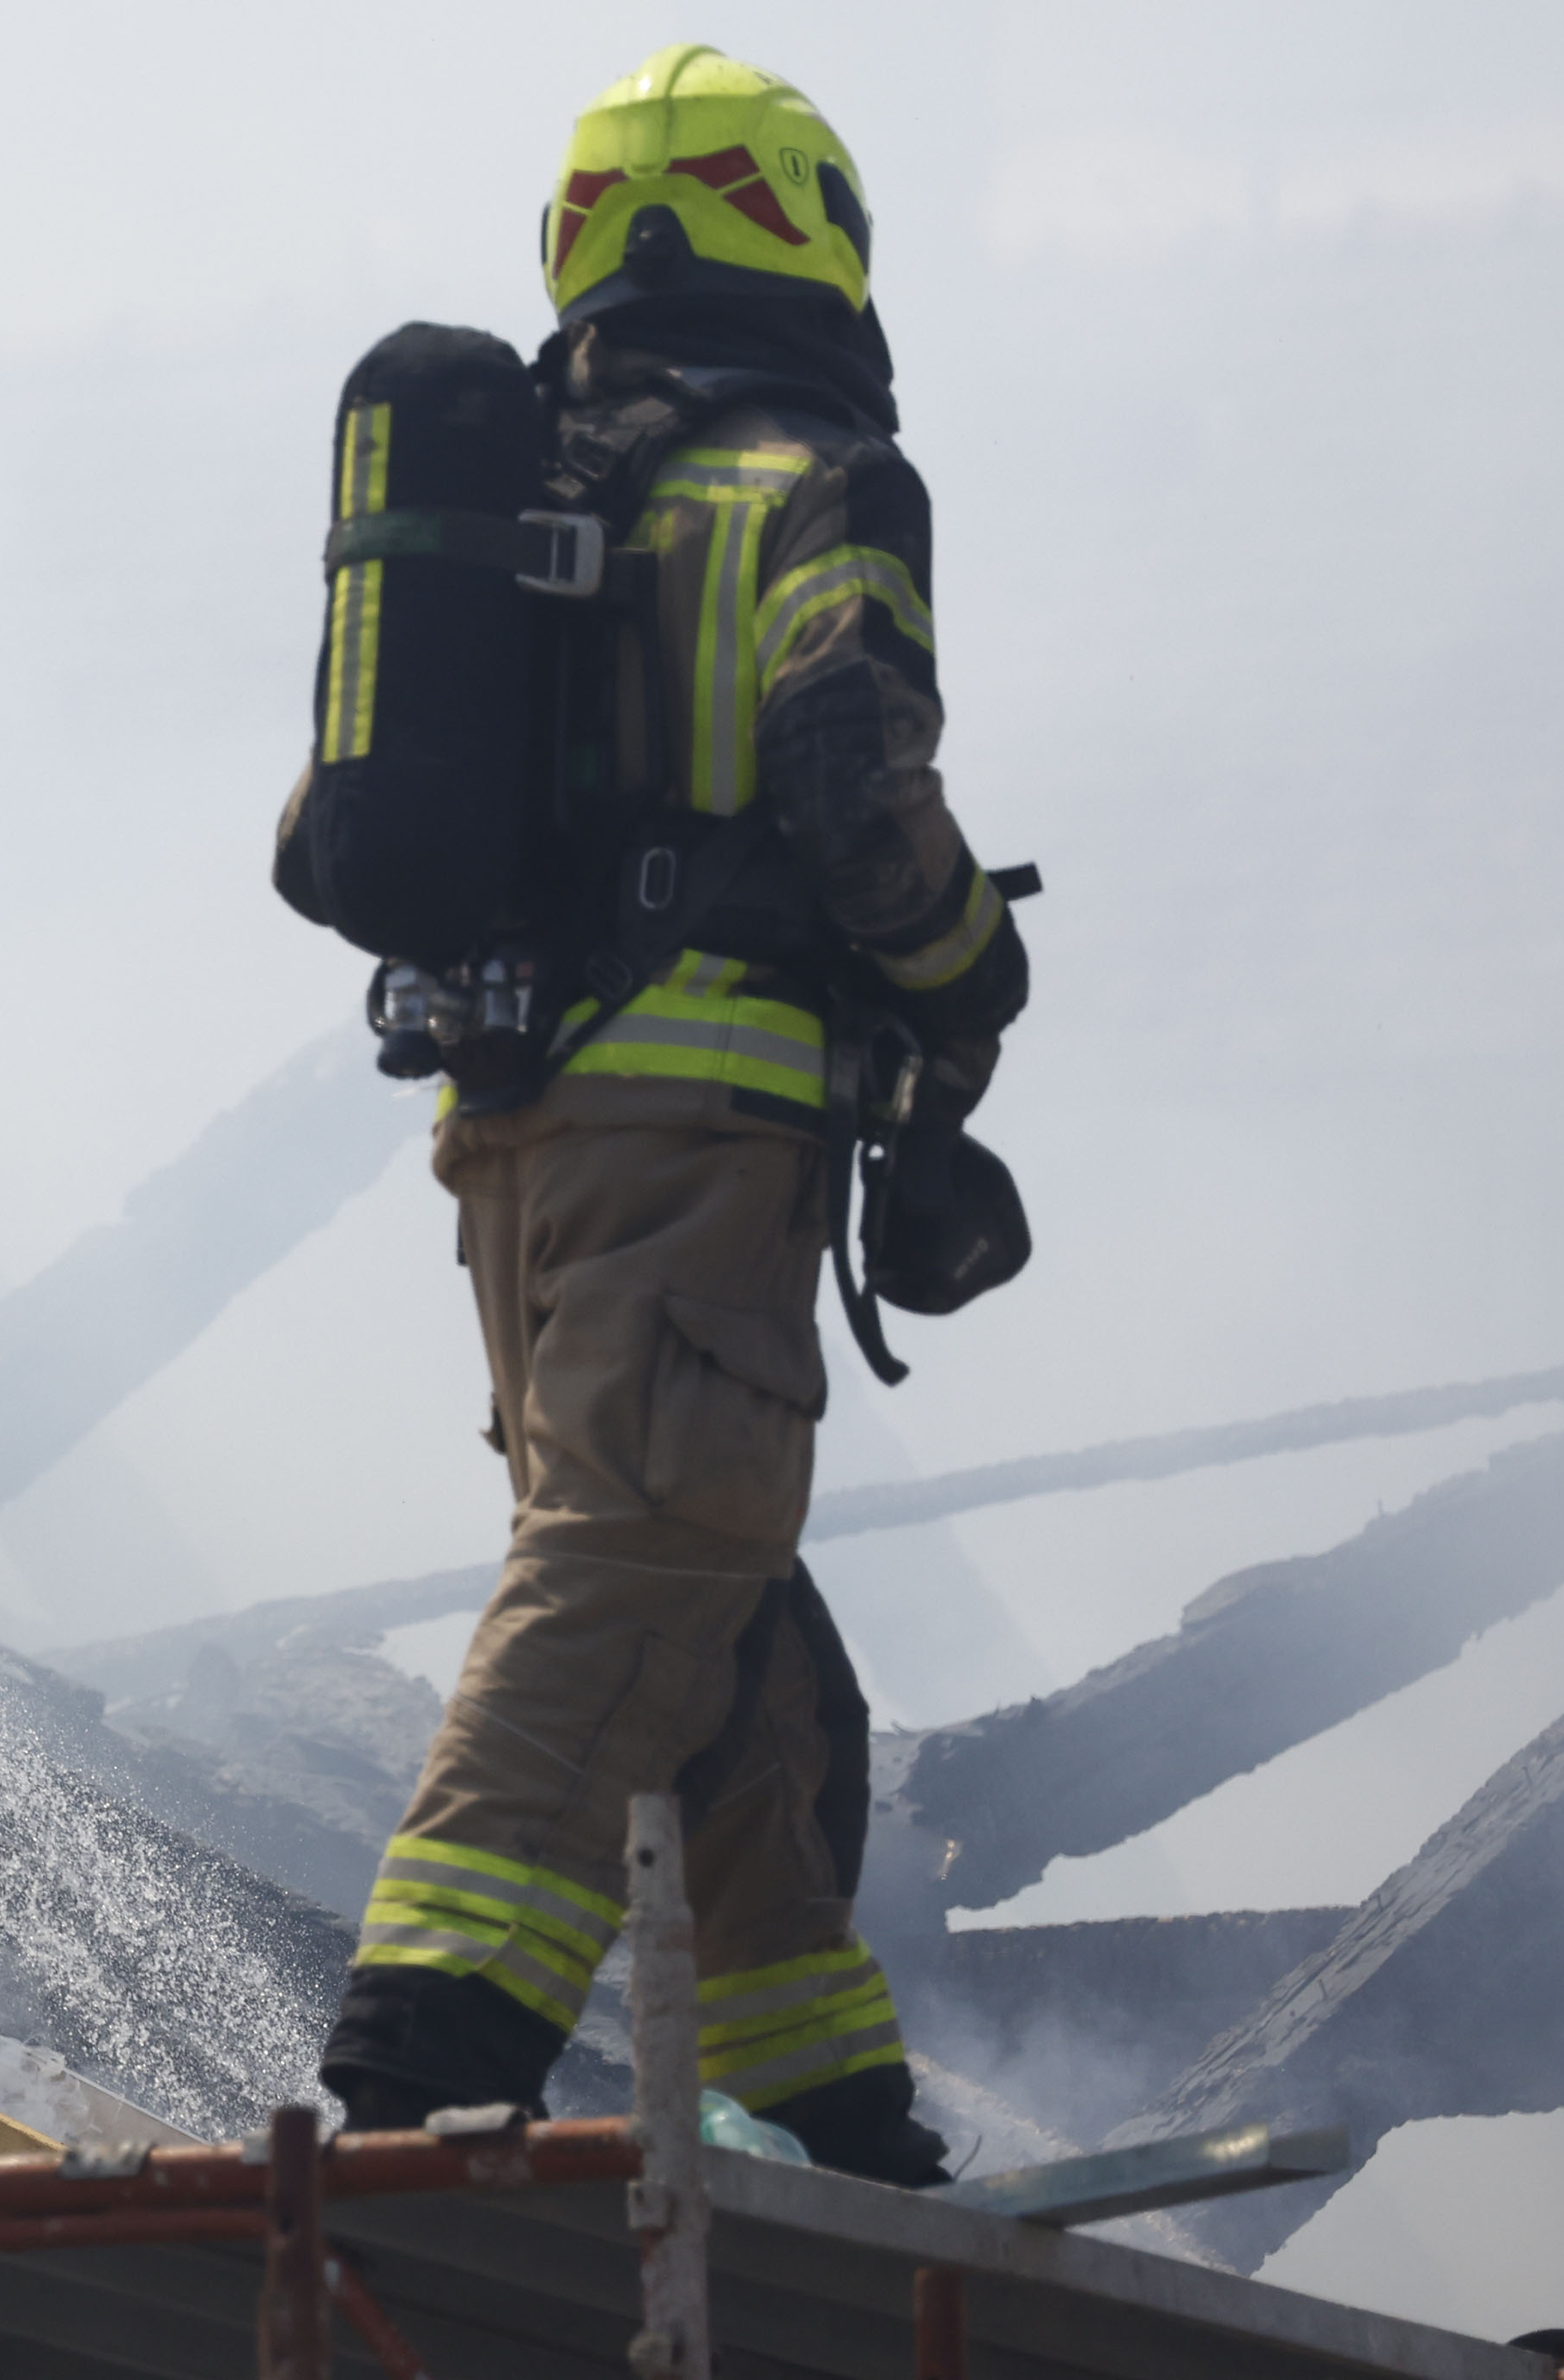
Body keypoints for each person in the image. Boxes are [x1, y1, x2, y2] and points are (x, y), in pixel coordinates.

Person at [306, 47, 1028, 2184]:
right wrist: (966, 966)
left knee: (723, 1613)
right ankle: (424, 2043)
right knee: (644, 1556)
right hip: (697, 1137)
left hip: (512, 1137)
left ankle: (825, 2089)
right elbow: (841, 756)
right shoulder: (812, 473)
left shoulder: (524, 503)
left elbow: (317, 837)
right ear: (804, 228)